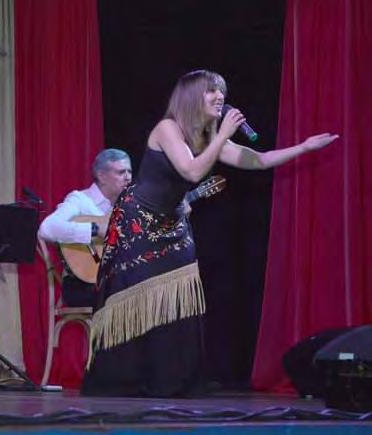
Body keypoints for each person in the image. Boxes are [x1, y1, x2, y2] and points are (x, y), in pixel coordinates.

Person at [81, 69, 338, 397]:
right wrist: (223, 135)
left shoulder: (208, 139)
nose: (220, 97)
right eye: (212, 91)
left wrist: (303, 147)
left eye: (222, 91)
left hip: (174, 226)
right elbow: (191, 171)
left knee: (178, 301)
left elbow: (259, 160)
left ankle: (171, 380)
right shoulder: (167, 128)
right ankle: (125, 379)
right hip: (138, 225)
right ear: (192, 97)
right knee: (136, 300)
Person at [38, 149, 133, 307]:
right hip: (82, 285)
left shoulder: (128, 207)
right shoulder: (80, 200)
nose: (128, 177)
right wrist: (95, 229)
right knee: (132, 294)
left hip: (117, 279)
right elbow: (47, 228)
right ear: (102, 176)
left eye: (130, 172)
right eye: (121, 172)